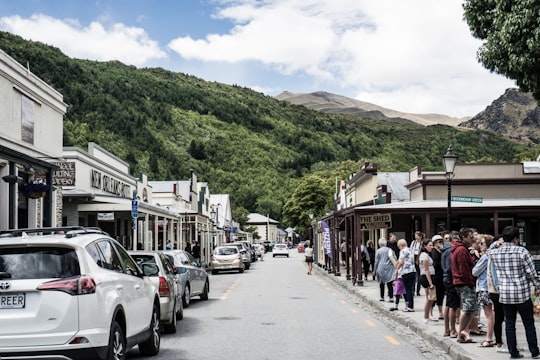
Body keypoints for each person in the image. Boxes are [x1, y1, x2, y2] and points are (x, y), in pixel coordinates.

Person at [489, 226, 540, 359]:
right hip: (522, 293)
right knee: (528, 323)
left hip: (505, 294)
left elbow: (489, 251)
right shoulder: (522, 251)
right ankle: (534, 351)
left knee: (509, 323)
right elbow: (531, 273)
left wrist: (496, 243)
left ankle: (513, 352)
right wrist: (537, 286)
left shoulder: (495, 252)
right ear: (516, 238)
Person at [451, 227, 477, 344]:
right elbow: (464, 269)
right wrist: (470, 280)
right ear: (464, 237)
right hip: (464, 282)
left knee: (469, 308)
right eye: (470, 237)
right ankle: (460, 333)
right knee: (467, 309)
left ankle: (464, 332)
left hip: (461, 281)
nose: (472, 239)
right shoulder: (461, 250)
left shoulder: (461, 249)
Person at [472, 233, 496, 348]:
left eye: (482, 243)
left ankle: (489, 338)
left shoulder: (486, 256)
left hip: (484, 286)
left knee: (488, 314)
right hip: (490, 287)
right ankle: (492, 337)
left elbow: (475, 271)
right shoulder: (492, 255)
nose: (479, 245)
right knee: (490, 313)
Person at [441, 231, 459, 338]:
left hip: (446, 278)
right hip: (450, 279)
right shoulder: (449, 251)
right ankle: (451, 330)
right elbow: (449, 267)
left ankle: (447, 329)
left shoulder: (445, 250)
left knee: (448, 304)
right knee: (452, 305)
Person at [419, 238, 437, 324]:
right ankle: (425, 316)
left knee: (432, 298)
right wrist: (430, 282)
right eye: (429, 245)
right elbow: (426, 269)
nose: (431, 247)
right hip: (426, 278)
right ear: (425, 246)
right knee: (429, 298)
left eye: (432, 245)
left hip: (431, 276)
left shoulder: (428, 254)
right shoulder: (424, 255)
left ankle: (429, 315)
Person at [395, 238, 416, 312]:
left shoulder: (402, 251)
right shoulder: (410, 250)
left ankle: (410, 306)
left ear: (400, 245)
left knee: (408, 290)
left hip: (406, 272)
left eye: (398, 246)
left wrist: (397, 270)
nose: (398, 248)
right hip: (413, 271)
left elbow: (401, 262)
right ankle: (411, 305)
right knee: (411, 289)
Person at [374, 238, 394, 302]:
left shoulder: (378, 251)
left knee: (381, 283)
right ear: (385, 243)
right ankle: (391, 297)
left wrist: (374, 270)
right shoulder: (389, 250)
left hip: (381, 268)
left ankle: (382, 297)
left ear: (379, 244)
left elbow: (376, 261)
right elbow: (394, 258)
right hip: (389, 268)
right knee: (389, 283)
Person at [431, 234, 445, 321]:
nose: (440, 243)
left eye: (441, 241)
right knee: (433, 295)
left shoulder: (442, 251)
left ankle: (440, 312)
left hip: (441, 275)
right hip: (435, 275)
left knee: (441, 294)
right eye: (439, 241)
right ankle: (431, 312)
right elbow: (435, 263)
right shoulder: (433, 251)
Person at [410, 231, 424, 296]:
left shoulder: (422, 243)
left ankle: (418, 291)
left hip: (420, 259)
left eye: (417, 236)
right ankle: (412, 290)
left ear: (420, 236)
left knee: (419, 276)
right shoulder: (413, 243)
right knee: (413, 275)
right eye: (415, 236)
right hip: (413, 258)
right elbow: (410, 250)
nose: (416, 237)